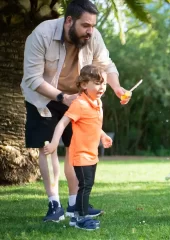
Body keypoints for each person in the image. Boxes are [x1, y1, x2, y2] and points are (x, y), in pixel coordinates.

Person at [20, 0, 130, 222]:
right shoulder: (41, 34)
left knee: (75, 149)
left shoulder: (93, 36)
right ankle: (54, 204)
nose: (90, 31)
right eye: (86, 26)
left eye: (93, 26)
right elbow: (32, 77)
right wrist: (62, 97)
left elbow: (106, 66)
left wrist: (117, 88)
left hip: (78, 98)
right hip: (43, 97)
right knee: (47, 149)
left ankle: (74, 204)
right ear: (69, 20)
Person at [44, 65, 112, 230]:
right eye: (97, 83)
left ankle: (76, 218)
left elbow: (93, 124)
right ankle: (81, 218)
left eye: (103, 83)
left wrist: (102, 135)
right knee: (85, 185)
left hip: (92, 153)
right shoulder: (79, 104)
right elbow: (62, 124)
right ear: (83, 85)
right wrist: (53, 143)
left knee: (88, 184)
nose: (101, 87)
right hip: (80, 154)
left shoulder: (97, 102)